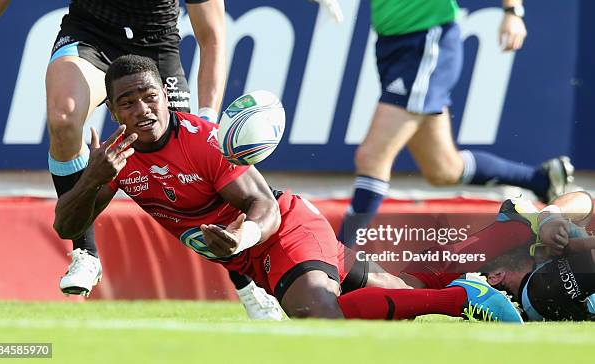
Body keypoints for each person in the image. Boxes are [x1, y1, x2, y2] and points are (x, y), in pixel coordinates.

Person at [53, 54, 524, 322]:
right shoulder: (113, 158)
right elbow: (66, 224)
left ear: (165, 96)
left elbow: (262, 205)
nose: (142, 109)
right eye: (128, 103)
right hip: (253, 258)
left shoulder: (205, 141)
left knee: (317, 311)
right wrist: (92, 178)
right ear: (114, 112)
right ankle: (492, 258)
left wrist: (241, 237)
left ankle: (464, 300)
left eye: (149, 96)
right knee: (398, 288)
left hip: (284, 231)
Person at [0, 0, 286, 321]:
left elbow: (213, 36)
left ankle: (246, 282)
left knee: (188, 163)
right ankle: (85, 251)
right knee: (64, 120)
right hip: (89, 37)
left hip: (155, 49)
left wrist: (207, 121)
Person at [338, 0, 575, 247]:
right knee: (443, 169)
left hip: (425, 43)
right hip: (393, 46)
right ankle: (541, 179)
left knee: (372, 157)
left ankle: (339, 256)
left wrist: (512, 12)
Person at [483, 192, 595, 321]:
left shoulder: (549, 257)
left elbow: (584, 201)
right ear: (495, 275)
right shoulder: (539, 288)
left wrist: (550, 215)